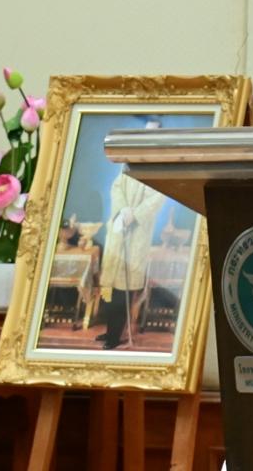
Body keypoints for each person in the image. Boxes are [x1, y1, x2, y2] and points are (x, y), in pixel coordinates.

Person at [97, 119, 168, 349]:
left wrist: (134, 215)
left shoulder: (159, 167)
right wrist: (123, 210)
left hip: (136, 233)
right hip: (120, 228)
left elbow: (156, 199)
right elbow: (117, 187)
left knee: (123, 290)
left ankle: (114, 336)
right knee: (111, 287)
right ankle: (109, 331)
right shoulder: (130, 161)